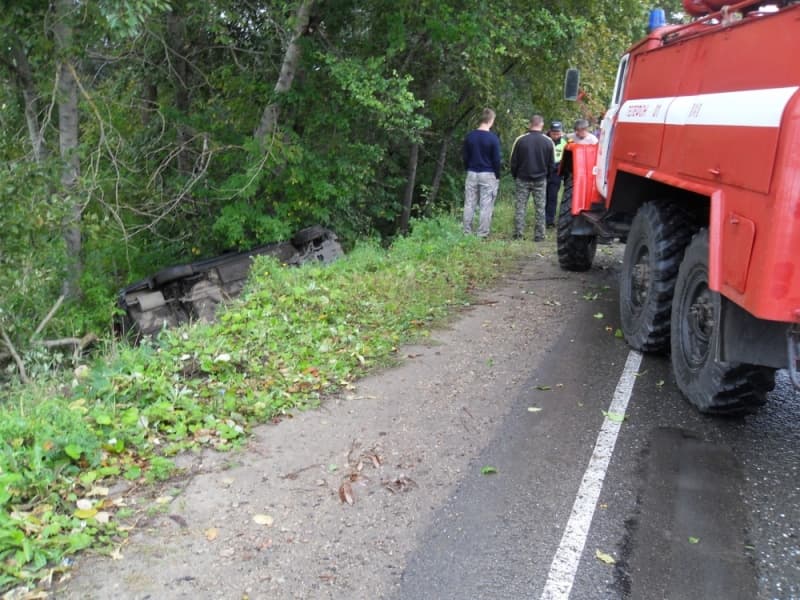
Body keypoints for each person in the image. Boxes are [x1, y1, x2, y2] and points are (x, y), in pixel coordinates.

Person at [509, 114, 554, 241]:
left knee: (520, 207)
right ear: (542, 125)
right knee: (540, 208)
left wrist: (516, 175)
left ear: (530, 124)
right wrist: (547, 177)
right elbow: (551, 164)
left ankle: (518, 234)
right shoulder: (548, 141)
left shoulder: (520, 140)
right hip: (540, 179)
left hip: (522, 178)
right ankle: (539, 235)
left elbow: (513, 161)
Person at [462, 108, 502, 238]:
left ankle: (467, 232)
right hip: (488, 173)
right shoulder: (493, 138)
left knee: (469, 203)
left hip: (472, 172)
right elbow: (496, 160)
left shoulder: (470, 136)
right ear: (491, 120)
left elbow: (465, 156)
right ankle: (482, 233)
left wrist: (468, 167)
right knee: (486, 205)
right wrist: (497, 175)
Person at [545, 121, 567, 228]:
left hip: (556, 173)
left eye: (558, 133)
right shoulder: (545, 140)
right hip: (544, 172)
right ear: (550, 132)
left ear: (561, 132)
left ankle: (549, 220)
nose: (556, 135)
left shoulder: (565, 142)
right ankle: (541, 219)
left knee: (552, 197)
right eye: (554, 133)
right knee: (543, 197)